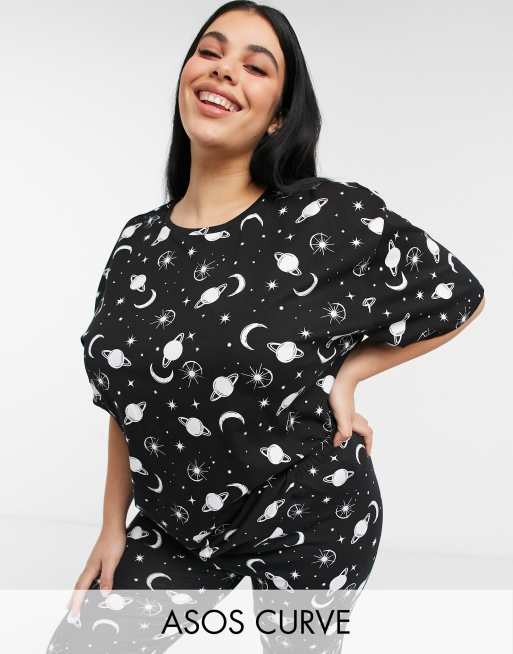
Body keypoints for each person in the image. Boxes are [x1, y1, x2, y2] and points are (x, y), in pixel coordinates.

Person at [46, 1, 485, 652]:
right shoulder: (138, 242)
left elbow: (457, 292)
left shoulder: (323, 214)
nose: (224, 71)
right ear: (185, 76)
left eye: (255, 67)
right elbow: (126, 400)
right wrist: (113, 527)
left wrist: (346, 378)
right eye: (209, 52)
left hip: (309, 510)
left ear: (279, 115)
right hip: (175, 525)